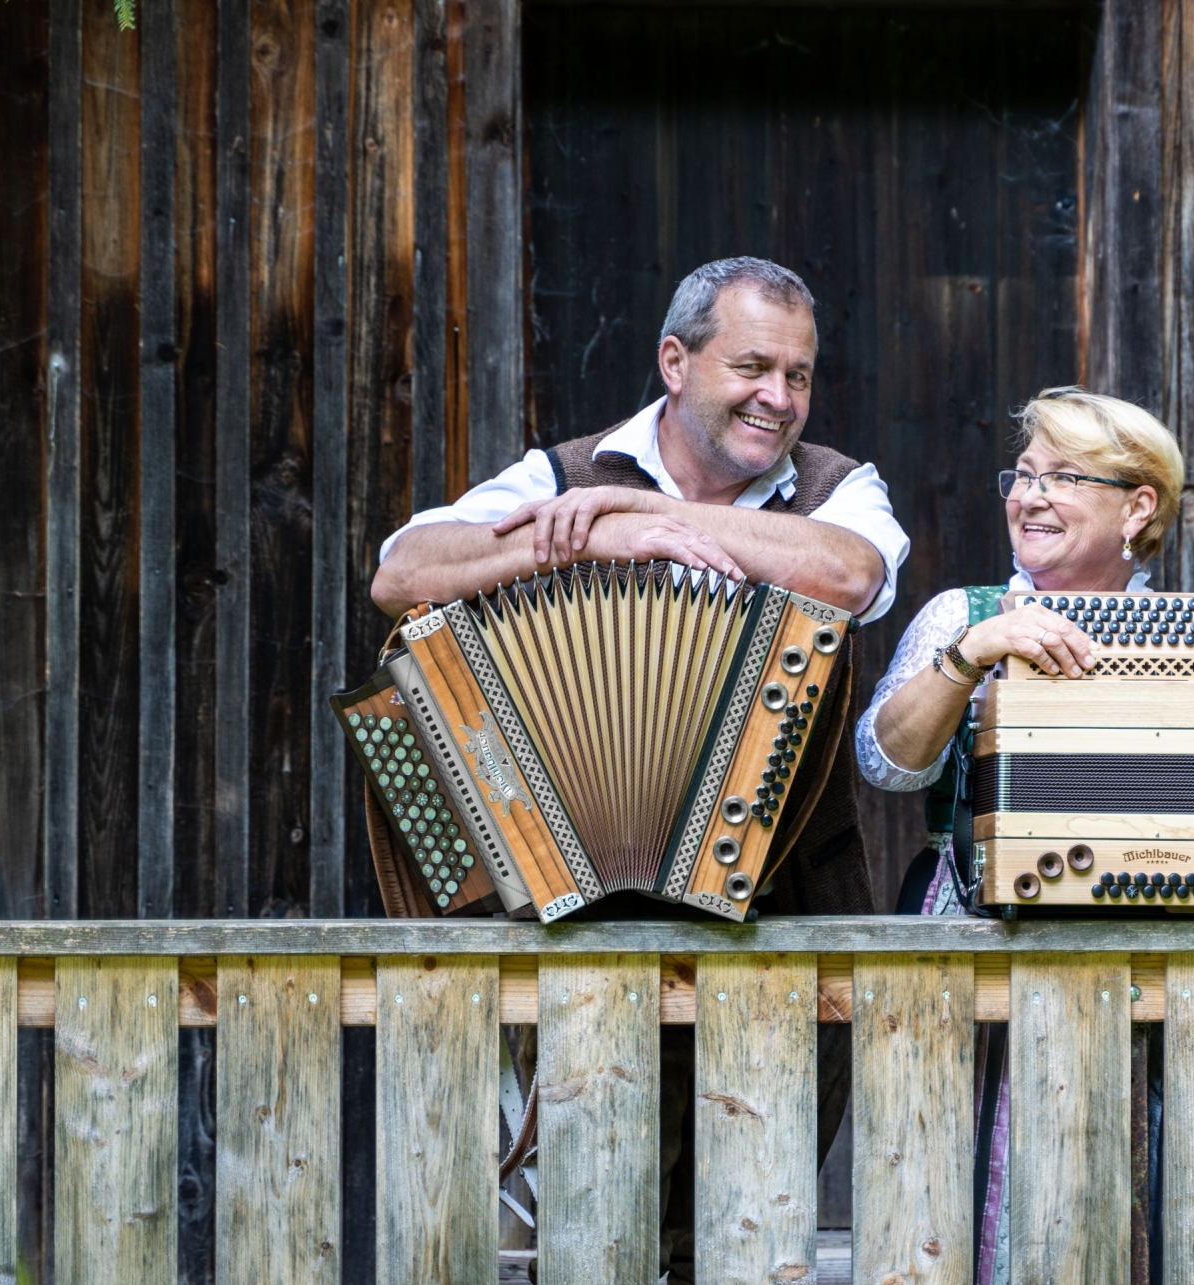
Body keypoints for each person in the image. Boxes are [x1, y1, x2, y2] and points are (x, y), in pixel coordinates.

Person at [375, 257, 910, 1283]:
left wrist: (645, 525)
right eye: (752, 366)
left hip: (779, 916)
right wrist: (576, 541)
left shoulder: (839, 486)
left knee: (748, 1235)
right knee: (582, 1235)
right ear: (675, 361)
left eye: (798, 375)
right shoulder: (564, 472)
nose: (779, 397)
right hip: (575, 918)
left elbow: (847, 574)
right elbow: (403, 571)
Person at [855, 386, 1194, 1284]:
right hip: (975, 934)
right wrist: (972, 655)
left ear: (1137, 507)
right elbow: (886, 764)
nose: (1029, 496)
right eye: (1022, 475)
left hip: (1141, 939)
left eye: (1062, 477)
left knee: (1122, 1190)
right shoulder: (964, 613)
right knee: (952, 1188)